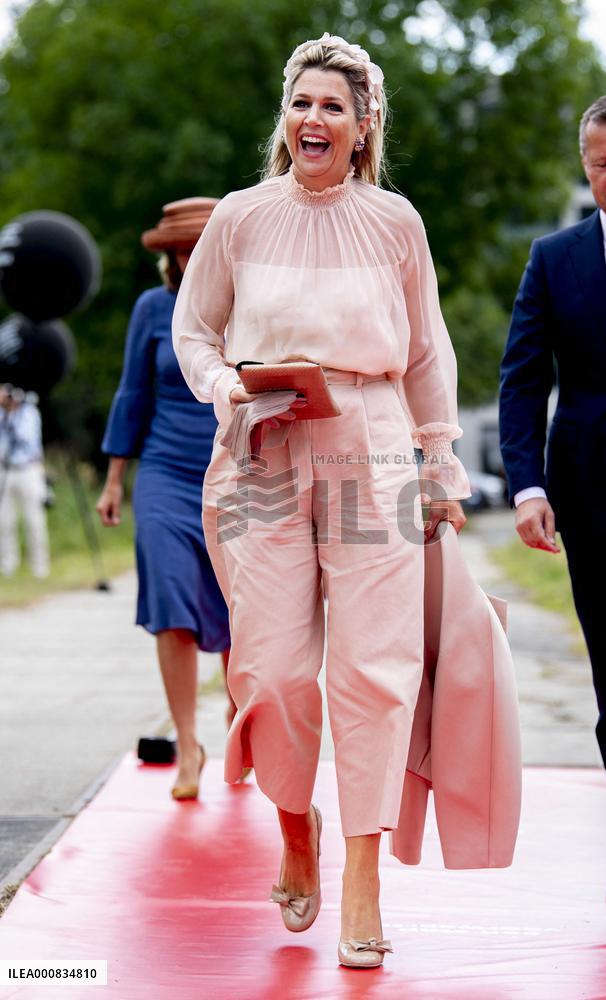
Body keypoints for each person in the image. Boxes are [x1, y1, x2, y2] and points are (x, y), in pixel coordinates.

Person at [173, 33, 470, 967]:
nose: (314, 119)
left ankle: (361, 879)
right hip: (261, 449)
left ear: (362, 124)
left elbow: (425, 354)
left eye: (333, 106)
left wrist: (440, 466)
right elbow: (195, 329)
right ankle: (293, 821)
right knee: (272, 670)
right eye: (302, 104)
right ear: (285, 120)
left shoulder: (396, 224)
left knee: (374, 668)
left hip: (368, 449)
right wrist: (227, 388)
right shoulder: (240, 218)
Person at [499, 92, 606, 904]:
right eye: (601, 163)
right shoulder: (554, 259)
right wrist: (526, 485)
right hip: (593, 499)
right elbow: (522, 380)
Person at [96, 198, 232, 801]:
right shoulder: (152, 309)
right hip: (164, 472)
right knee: (171, 600)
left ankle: (242, 724)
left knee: (243, 614)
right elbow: (132, 394)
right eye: (179, 248)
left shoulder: (245, 310)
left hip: (236, 473)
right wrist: (114, 478)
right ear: (169, 255)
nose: (187, 257)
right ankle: (186, 743)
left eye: (197, 245)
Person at [0, 386, 50, 579]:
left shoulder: (29, 413)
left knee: (34, 520)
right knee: (4, 522)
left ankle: (40, 567)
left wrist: (11, 414)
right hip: (5, 470)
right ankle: (7, 565)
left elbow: (26, 438)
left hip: (29, 469)